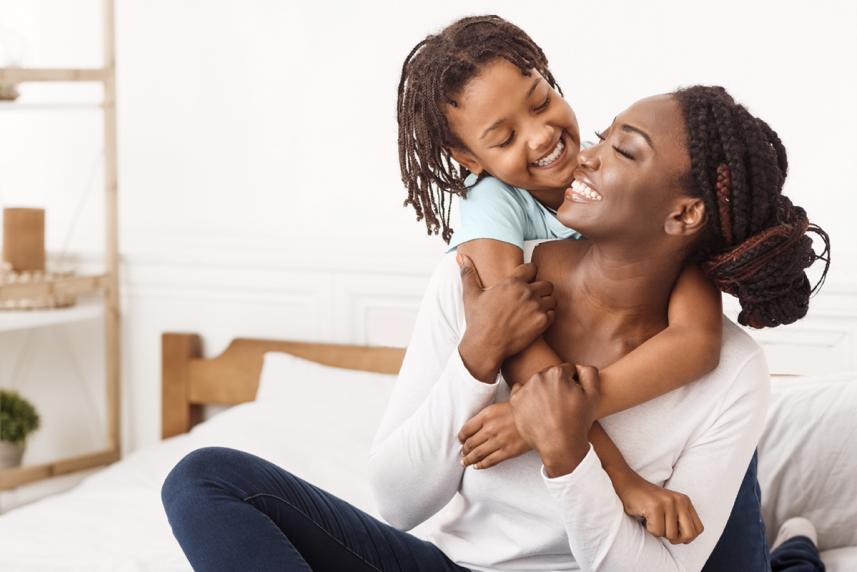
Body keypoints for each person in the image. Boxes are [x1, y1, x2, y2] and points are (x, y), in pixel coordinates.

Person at [161, 87, 830, 571]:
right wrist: (475, 361)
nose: (587, 156)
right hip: (455, 567)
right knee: (204, 480)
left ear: (682, 216)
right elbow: (396, 506)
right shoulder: (481, 284)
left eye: (623, 150)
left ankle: (792, 551)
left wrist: (567, 454)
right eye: (603, 133)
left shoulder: (728, 365)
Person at [397, 15, 726, 547]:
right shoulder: (491, 212)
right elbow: (517, 342)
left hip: (672, 453)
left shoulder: (613, 176)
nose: (543, 135)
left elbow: (698, 338)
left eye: (540, 101)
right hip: (604, 473)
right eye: (503, 137)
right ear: (468, 159)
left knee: (735, 484)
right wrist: (623, 481)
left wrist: (539, 419)